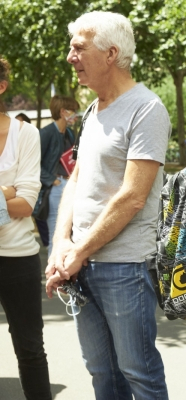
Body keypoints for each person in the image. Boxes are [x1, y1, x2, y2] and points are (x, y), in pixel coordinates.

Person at [44, 12, 170, 399]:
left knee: (139, 375)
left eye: (78, 48)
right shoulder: (93, 110)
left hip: (124, 268)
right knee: (102, 375)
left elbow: (132, 197)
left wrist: (77, 251)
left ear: (111, 53)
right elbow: (77, 179)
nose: (70, 57)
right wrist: (60, 244)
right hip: (82, 264)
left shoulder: (147, 109)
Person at [0, 58, 52, 399]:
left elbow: (25, 206)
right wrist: (6, 191)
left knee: (30, 350)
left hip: (17, 258)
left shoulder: (25, 134)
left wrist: (14, 198)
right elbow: (13, 202)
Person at [38, 95, 80, 255]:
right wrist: (53, 181)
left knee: (68, 235)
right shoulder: (46, 133)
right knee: (56, 236)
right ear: (63, 112)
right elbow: (34, 164)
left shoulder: (69, 133)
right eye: (73, 111)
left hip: (69, 186)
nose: (75, 115)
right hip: (54, 190)